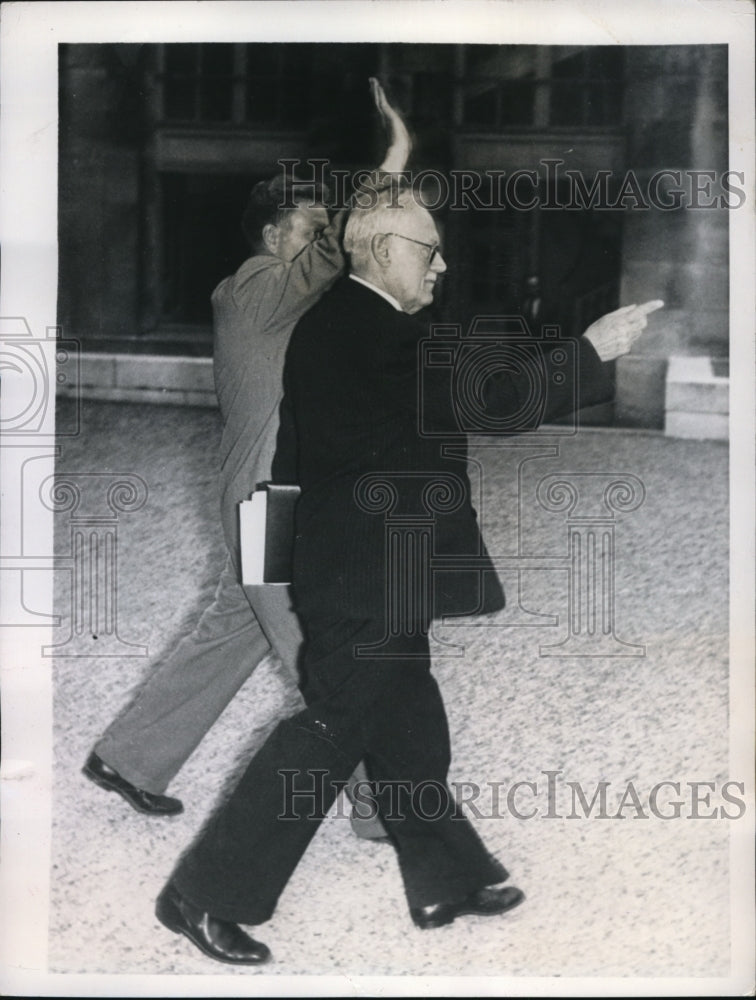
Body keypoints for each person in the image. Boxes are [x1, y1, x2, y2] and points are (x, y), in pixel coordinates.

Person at [154, 187, 663, 964]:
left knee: (410, 724)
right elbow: (492, 402)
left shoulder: (340, 327)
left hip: (371, 572)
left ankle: (444, 879)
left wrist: (273, 570)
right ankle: (201, 895)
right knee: (329, 734)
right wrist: (592, 350)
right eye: (430, 251)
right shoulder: (380, 335)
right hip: (363, 580)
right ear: (384, 251)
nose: (444, 264)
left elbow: (291, 454)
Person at [83, 79, 410, 819]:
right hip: (271, 506)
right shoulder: (253, 291)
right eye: (308, 228)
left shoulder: (280, 307)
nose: (318, 242)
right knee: (323, 647)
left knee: (232, 630)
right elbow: (341, 250)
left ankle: (128, 757)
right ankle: (381, 802)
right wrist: (393, 157)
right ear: (274, 236)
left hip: (270, 502)